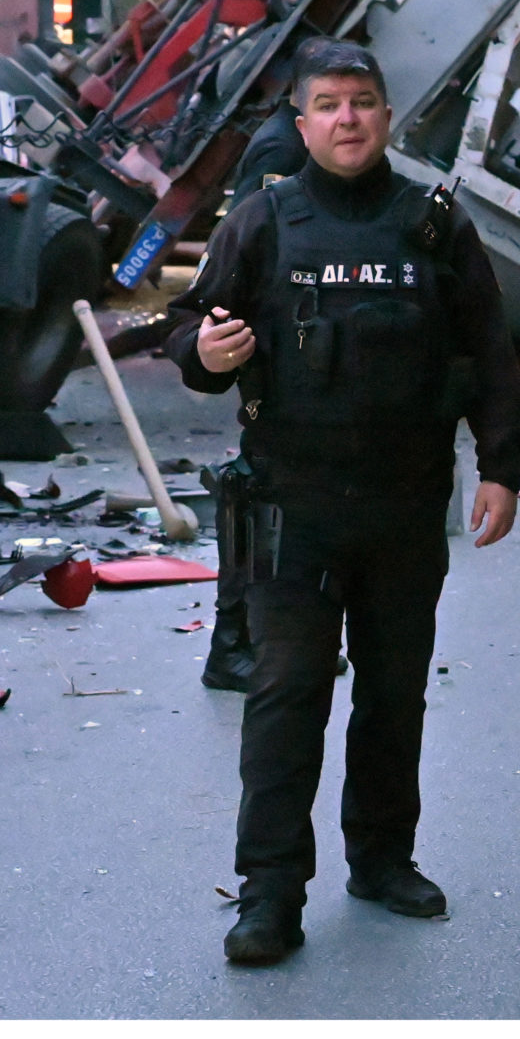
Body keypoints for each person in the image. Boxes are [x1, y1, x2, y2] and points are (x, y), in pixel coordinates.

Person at [165, 40, 520, 966]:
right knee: (285, 697)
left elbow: (491, 353)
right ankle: (270, 894)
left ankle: (382, 858)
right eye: (327, 104)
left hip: (407, 506)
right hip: (292, 505)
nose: (347, 119)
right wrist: (203, 357)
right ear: (302, 121)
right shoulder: (264, 220)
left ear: (386, 113)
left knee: (394, 693)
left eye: (362, 101)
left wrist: (501, 467)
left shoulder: (434, 226)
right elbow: (189, 330)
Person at [199, 50, 323, 693]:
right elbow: (253, 252)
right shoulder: (279, 153)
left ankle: (277, 639)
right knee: (258, 505)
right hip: (277, 357)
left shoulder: (294, 141)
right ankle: (234, 645)